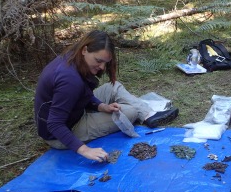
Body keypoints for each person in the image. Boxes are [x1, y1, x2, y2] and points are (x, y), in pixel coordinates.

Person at [34, 30, 179, 162]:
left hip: (75, 108)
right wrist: (85, 150)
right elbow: (54, 124)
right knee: (130, 112)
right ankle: (140, 112)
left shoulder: (73, 56)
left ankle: (149, 115)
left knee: (113, 86)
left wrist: (101, 106)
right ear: (85, 50)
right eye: (98, 61)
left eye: (106, 63)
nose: (102, 68)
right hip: (62, 132)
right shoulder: (69, 80)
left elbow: (82, 92)